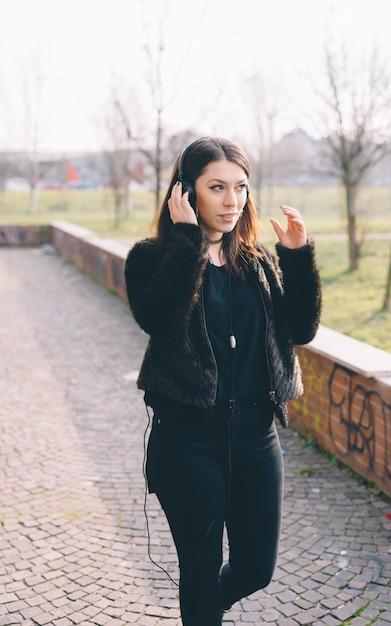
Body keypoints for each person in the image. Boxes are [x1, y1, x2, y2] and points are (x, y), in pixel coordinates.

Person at [124, 136, 321, 626]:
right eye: (217, 187)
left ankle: (205, 609)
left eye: (241, 187)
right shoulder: (151, 258)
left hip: (256, 438)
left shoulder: (257, 264)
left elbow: (302, 330)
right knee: (199, 570)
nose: (233, 200)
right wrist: (190, 241)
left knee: (257, 567)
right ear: (186, 194)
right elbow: (160, 320)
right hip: (188, 442)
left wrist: (297, 258)